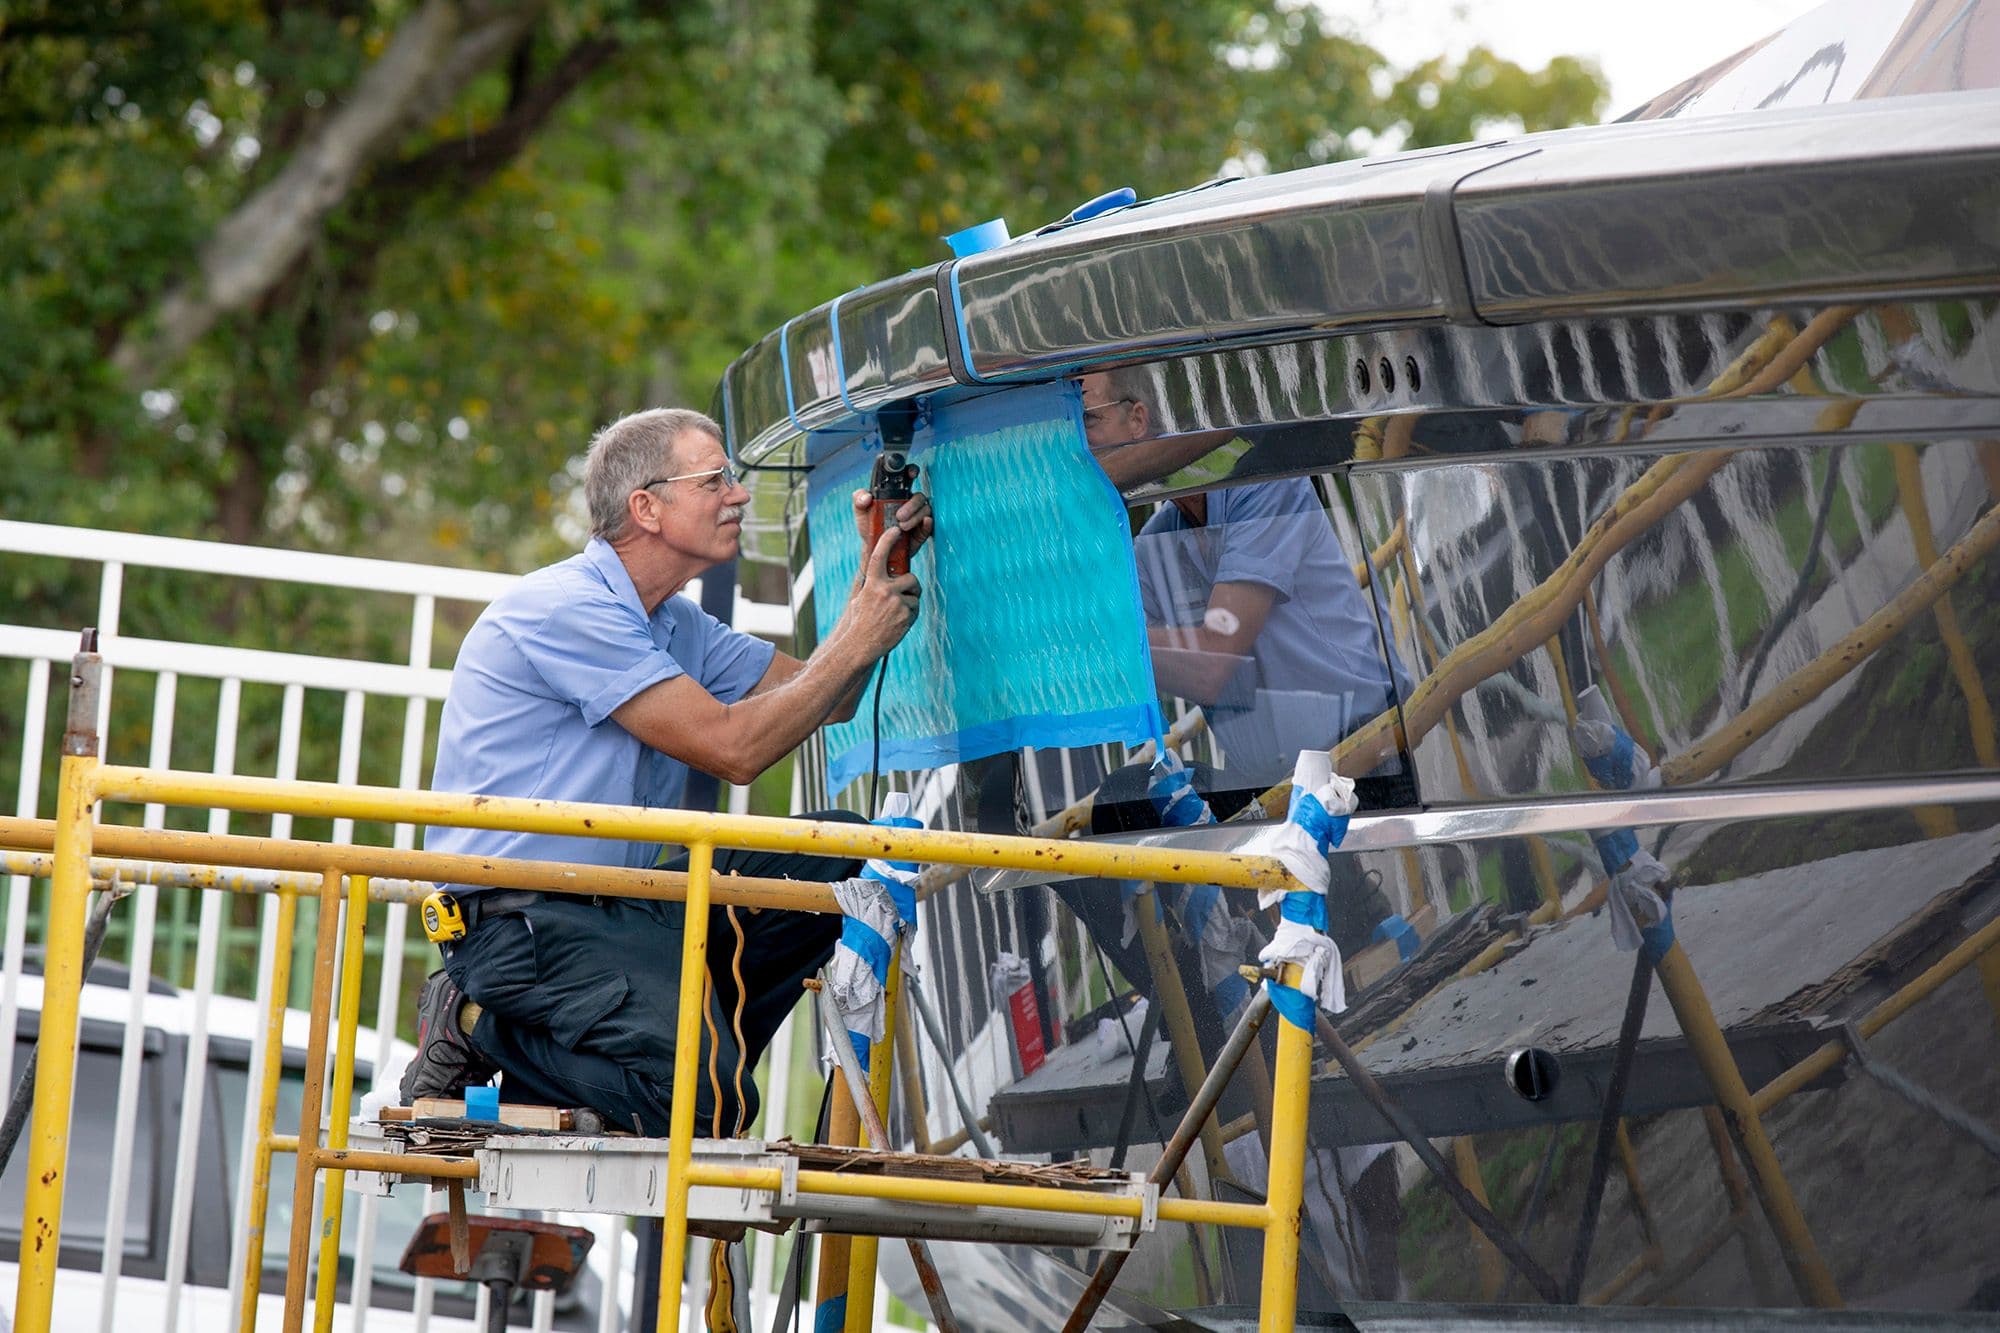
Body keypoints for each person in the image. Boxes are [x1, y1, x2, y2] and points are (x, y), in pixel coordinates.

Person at [399, 407, 932, 1136]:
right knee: (711, 1104)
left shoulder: (672, 621)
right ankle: (479, 1021)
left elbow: (825, 697)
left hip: (612, 905)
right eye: (715, 480)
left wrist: (868, 587)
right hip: (519, 923)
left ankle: (651, 1057)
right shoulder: (569, 608)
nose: (737, 496)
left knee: (845, 854)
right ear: (646, 507)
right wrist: (859, 633)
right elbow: (733, 747)